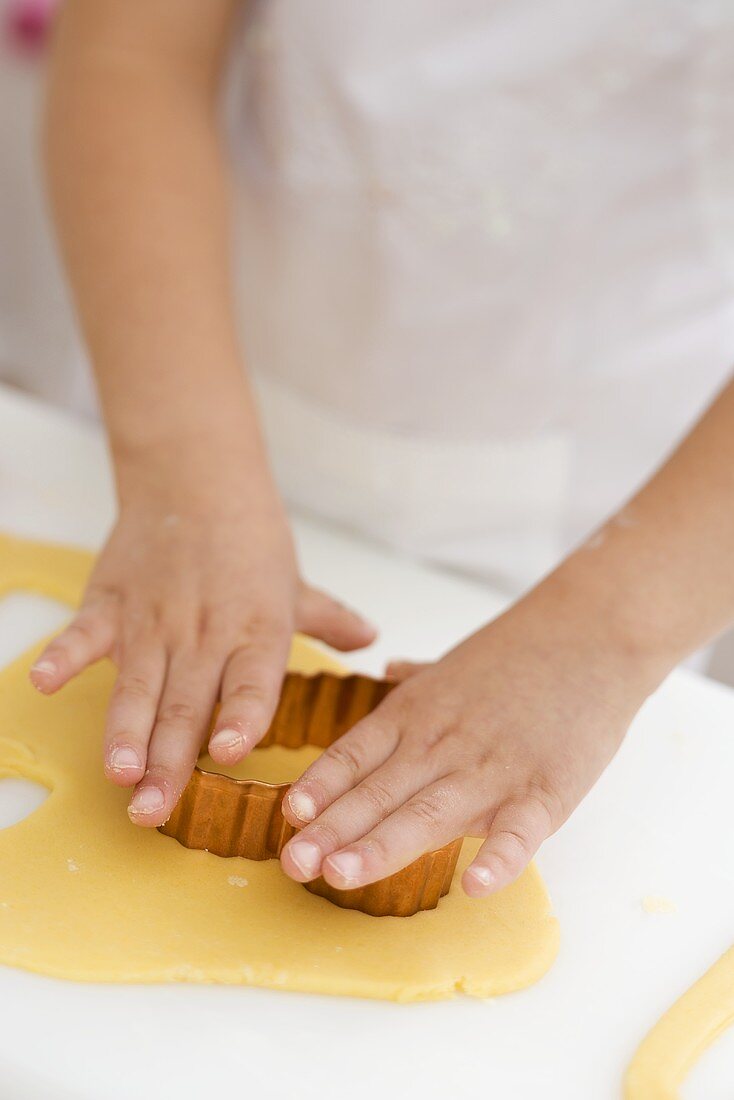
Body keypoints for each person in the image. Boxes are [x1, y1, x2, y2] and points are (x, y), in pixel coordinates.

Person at [21, 1, 734, 898]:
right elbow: (133, 46)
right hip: (183, 358)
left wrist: (605, 634)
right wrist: (183, 468)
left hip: (646, 508)